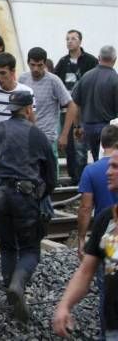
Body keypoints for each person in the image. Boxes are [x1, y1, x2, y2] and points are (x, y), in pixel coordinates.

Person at [0, 91, 57, 322]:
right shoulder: (38, 135)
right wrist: (41, 195)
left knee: (7, 245)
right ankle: (17, 285)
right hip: (26, 196)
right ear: (28, 109)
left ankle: (10, 293)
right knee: (30, 249)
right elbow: (52, 177)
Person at [53, 152, 118, 340]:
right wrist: (65, 305)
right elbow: (86, 271)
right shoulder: (107, 219)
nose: (108, 172)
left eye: (115, 167)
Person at [77, 126, 118, 335]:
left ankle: (107, 331)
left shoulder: (91, 171)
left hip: (106, 240)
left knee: (107, 289)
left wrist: (81, 238)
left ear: (101, 144)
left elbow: (85, 208)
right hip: (112, 236)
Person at [56, 30, 98, 183]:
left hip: (84, 110)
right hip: (66, 110)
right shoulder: (63, 62)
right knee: (69, 146)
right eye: (67, 39)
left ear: (80, 41)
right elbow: (57, 82)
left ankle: (83, 178)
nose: (70, 41)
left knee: (82, 146)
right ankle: (74, 177)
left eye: (73, 38)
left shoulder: (90, 61)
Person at [18, 47, 76, 157]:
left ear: (45, 64)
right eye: (32, 65)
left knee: (50, 172)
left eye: (39, 65)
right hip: (27, 134)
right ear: (28, 63)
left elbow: (71, 105)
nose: (35, 69)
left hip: (47, 136)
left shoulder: (53, 81)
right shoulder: (23, 79)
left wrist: (64, 134)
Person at [70, 45, 118, 163]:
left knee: (95, 160)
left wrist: (77, 126)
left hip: (88, 127)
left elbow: (75, 104)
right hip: (108, 130)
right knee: (107, 162)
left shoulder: (86, 76)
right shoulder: (115, 79)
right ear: (115, 59)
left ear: (98, 58)